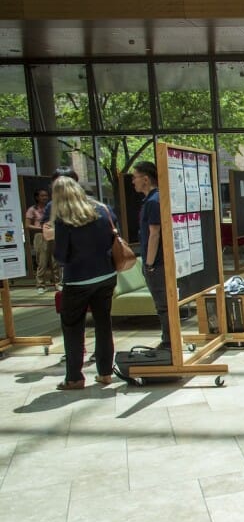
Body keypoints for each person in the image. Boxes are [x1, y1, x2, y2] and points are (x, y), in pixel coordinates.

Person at [50, 176, 117, 390]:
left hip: (78, 280)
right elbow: (113, 236)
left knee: (72, 327)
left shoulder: (64, 220)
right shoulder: (102, 210)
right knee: (103, 323)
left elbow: (61, 256)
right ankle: (106, 372)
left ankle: (74, 377)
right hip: (106, 275)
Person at [132, 161, 171, 350]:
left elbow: (154, 233)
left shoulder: (154, 201)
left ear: (146, 179)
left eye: (135, 177)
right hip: (158, 262)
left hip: (157, 263)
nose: (133, 181)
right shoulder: (153, 200)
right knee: (163, 304)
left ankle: (168, 342)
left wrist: (148, 263)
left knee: (162, 304)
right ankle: (168, 339)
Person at [25, 188, 52, 293]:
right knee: (42, 261)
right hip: (40, 235)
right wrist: (41, 228)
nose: (45, 197)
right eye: (42, 195)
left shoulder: (50, 208)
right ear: (37, 197)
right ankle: (40, 285)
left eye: (46, 195)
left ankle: (58, 283)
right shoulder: (32, 209)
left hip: (52, 234)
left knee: (55, 261)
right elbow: (27, 225)